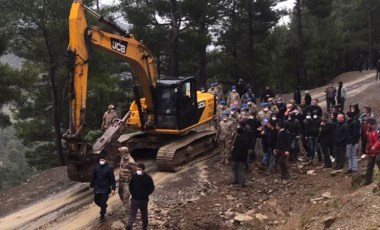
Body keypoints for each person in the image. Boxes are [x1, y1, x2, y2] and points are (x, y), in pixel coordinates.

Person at [127, 163, 155, 230]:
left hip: (143, 200)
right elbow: (130, 186)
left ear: (143, 170)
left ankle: (144, 227)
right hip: (134, 199)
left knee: (144, 214)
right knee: (132, 214)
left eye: (139, 169)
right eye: (137, 169)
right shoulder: (134, 176)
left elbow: (151, 187)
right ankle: (129, 226)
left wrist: (146, 194)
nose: (138, 171)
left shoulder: (148, 178)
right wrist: (133, 193)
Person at [90, 151, 116, 223]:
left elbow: (112, 179)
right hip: (97, 187)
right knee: (96, 201)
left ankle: (102, 216)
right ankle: (104, 206)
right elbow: (93, 177)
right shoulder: (96, 167)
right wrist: (91, 185)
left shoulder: (109, 168)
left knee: (103, 202)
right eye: (100, 160)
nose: (102, 161)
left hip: (105, 188)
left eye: (103, 160)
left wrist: (113, 188)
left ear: (106, 160)